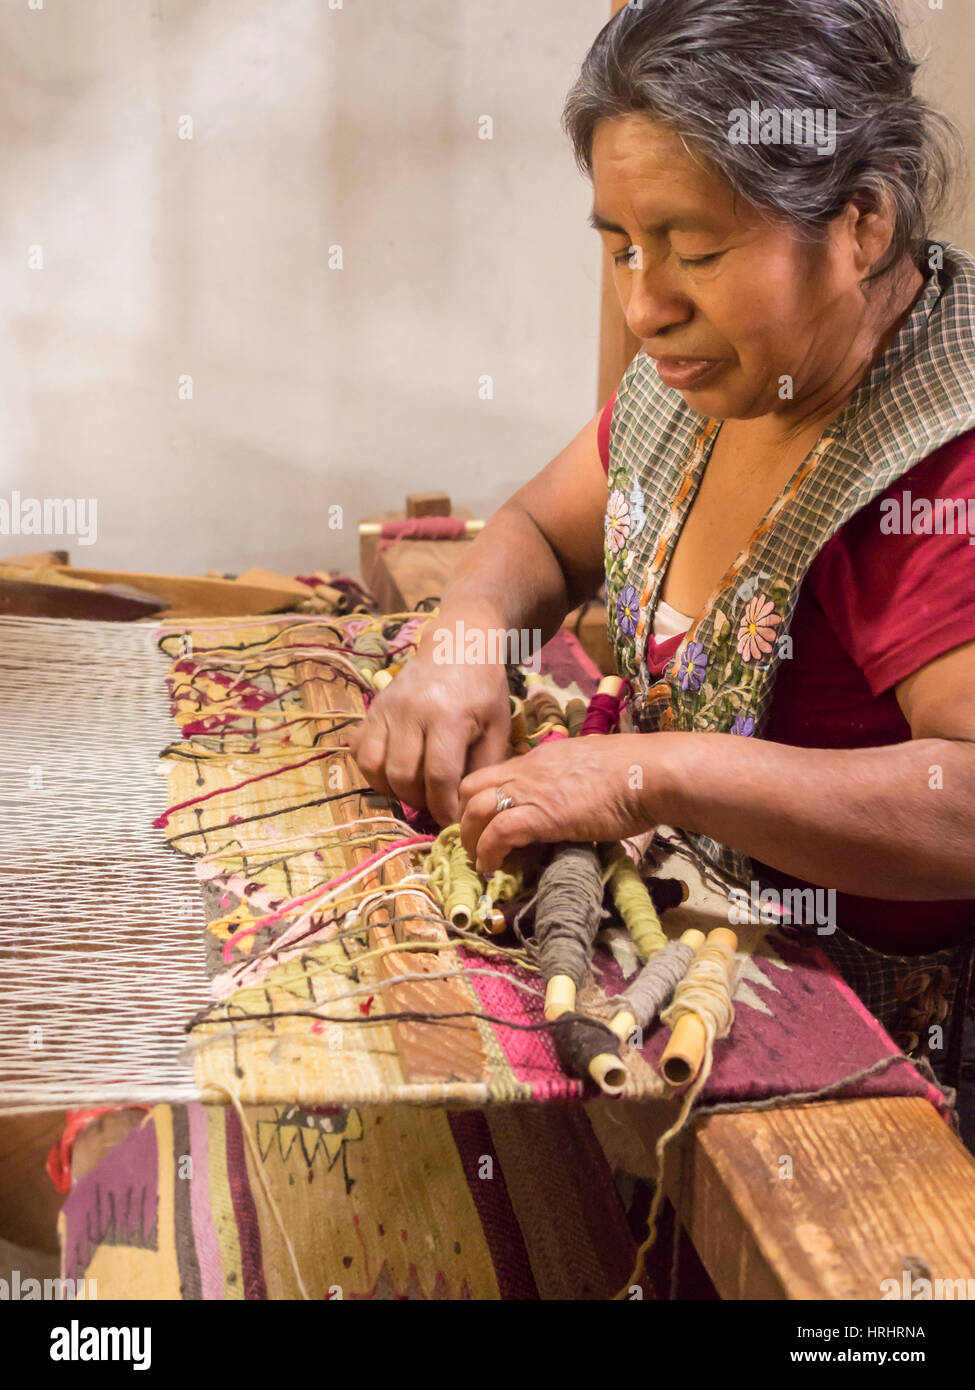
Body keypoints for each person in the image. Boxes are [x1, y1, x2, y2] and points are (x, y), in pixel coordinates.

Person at [351, 0, 975, 1071]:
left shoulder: (937, 463)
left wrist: (644, 776)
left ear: (864, 224)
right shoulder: (708, 378)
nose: (645, 306)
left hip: (855, 1060)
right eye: (622, 247)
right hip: (674, 959)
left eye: (695, 250)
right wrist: (463, 640)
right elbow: (543, 532)